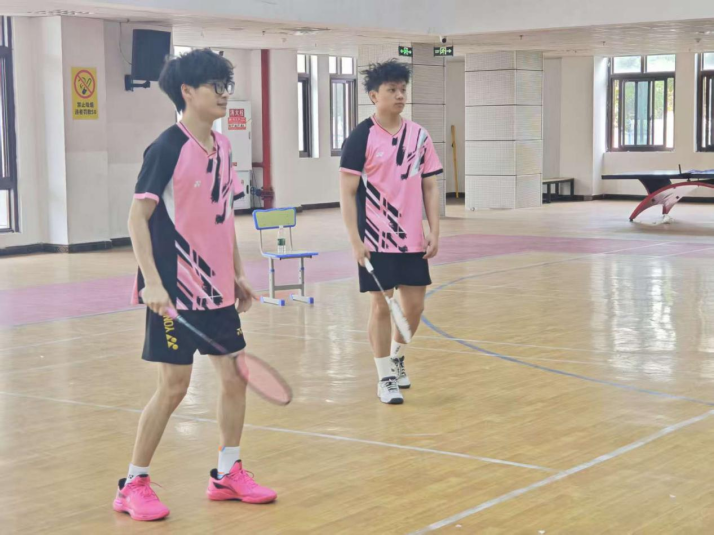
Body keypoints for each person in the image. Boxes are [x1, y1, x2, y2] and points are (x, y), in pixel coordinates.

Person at [114, 49, 276, 522]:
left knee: (234, 378)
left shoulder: (223, 147)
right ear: (187, 92)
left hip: (218, 291)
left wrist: (238, 273)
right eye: (215, 86)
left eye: (226, 86)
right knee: (174, 387)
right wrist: (152, 283)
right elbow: (137, 219)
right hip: (174, 293)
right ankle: (133, 484)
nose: (224, 94)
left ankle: (227, 474)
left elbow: (224, 218)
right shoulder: (166, 147)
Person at [339, 60, 443, 405]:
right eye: (392, 90)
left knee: (414, 308)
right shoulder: (361, 137)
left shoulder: (419, 136)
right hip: (376, 239)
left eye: (402, 90)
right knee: (382, 307)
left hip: (412, 239)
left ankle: (396, 357)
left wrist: (434, 229)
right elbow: (347, 193)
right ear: (374, 96)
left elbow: (430, 186)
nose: (400, 96)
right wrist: (355, 241)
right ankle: (384, 377)